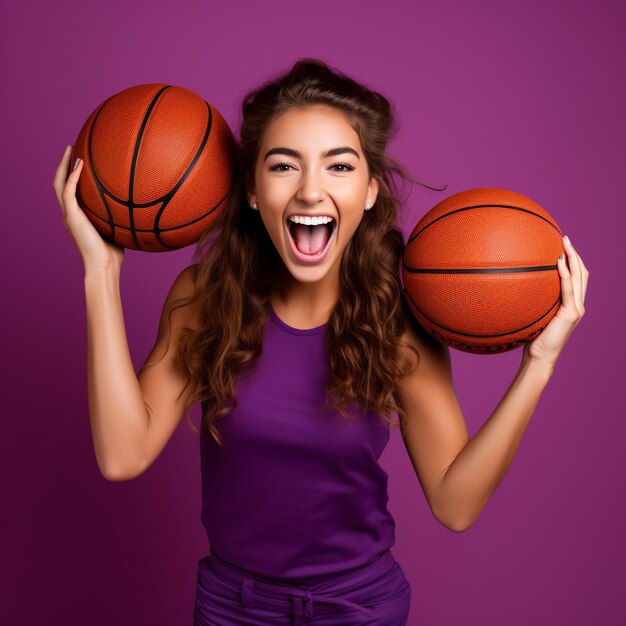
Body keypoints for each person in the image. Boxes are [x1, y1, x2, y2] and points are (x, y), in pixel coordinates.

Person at [53, 58, 589, 625]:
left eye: (339, 166)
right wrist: (101, 271)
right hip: (233, 608)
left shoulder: (398, 320)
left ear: (369, 192)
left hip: (358, 608)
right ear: (254, 192)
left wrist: (538, 364)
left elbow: (454, 506)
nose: (311, 191)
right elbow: (121, 454)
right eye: (284, 166)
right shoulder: (205, 298)